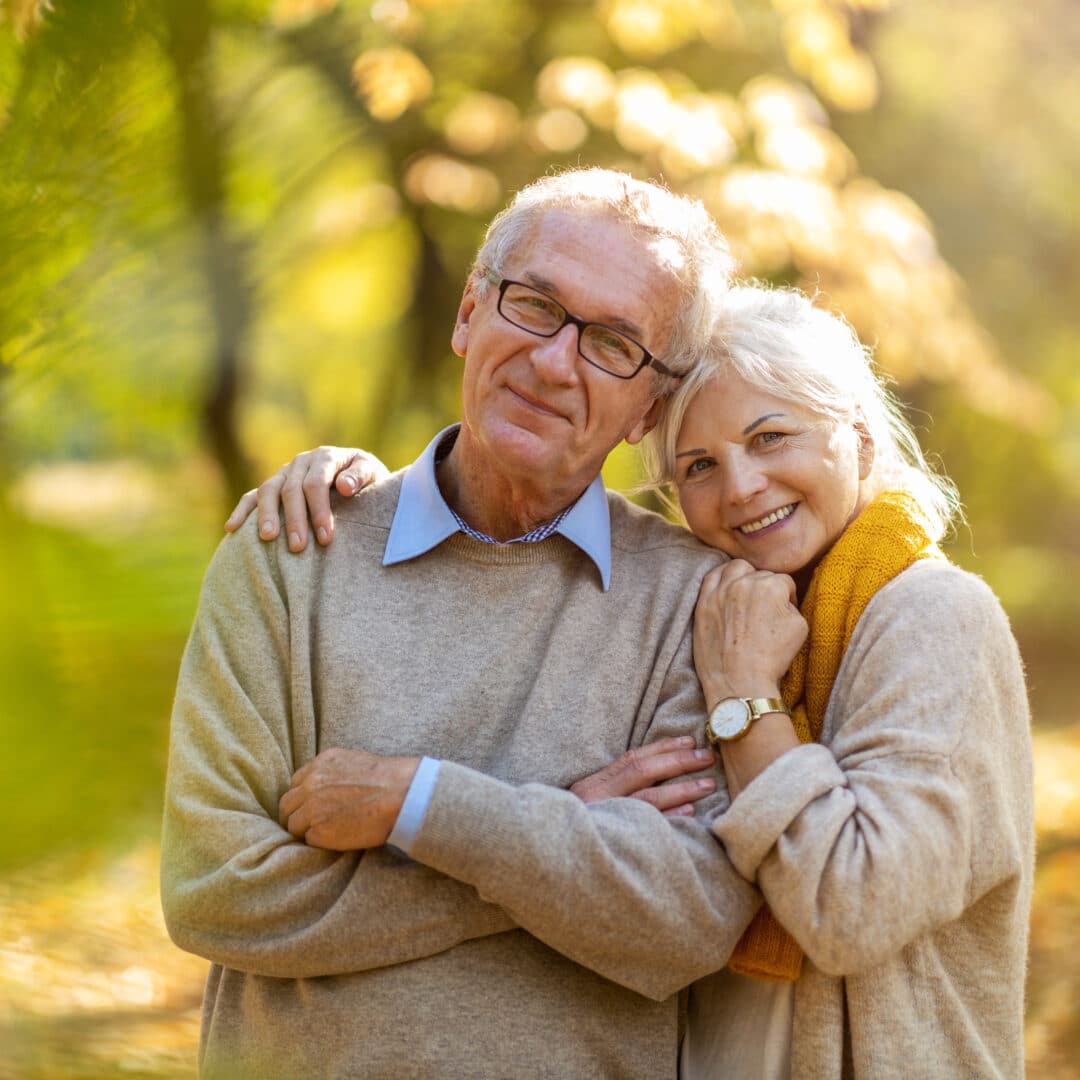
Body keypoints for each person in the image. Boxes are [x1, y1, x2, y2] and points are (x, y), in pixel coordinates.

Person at [242, 284, 1034, 1079]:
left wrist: (746, 700)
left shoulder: (930, 617)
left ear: (859, 437)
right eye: (699, 466)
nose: (741, 487)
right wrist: (366, 495)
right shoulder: (728, 607)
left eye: (770, 437)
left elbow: (852, 911)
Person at [162, 167, 766, 1080]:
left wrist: (421, 805)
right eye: (534, 306)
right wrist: (563, 831)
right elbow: (216, 892)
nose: (555, 360)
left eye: (612, 344)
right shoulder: (292, 550)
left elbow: (687, 925)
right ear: (467, 313)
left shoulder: (698, 602)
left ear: (649, 405)